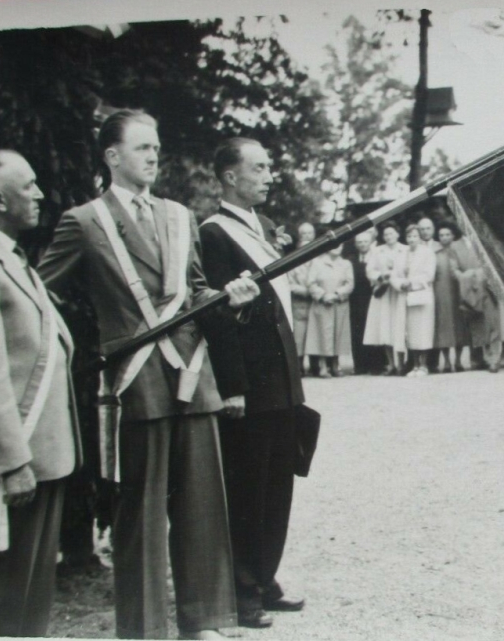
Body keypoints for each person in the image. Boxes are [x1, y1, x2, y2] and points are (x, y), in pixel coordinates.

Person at [38, 110, 260, 640]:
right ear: (112, 156)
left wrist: (229, 299)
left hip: (192, 376)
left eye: (157, 147)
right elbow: (39, 293)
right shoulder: (84, 220)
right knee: (138, 517)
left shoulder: (180, 215)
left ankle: (203, 620)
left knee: (203, 506)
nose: (154, 156)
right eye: (142, 148)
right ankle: (144, 630)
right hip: (136, 383)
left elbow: (196, 291)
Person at [0, 150, 81, 636]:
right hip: (10, 463)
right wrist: (11, 463)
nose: (39, 195)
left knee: (28, 599)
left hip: (43, 454)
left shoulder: (8, 253)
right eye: (28, 186)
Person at [198, 137, 309, 629]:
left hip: (281, 377)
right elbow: (219, 317)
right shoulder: (215, 232)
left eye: (269, 167)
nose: (269, 176)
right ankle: (242, 590)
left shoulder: (262, 228)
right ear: (229, 177)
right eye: (259, 168)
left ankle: (264, 576)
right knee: (247, 487)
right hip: (251, 383)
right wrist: (233, 386)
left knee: (278, 483)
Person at [363, 222, 408, 375]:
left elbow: (410, 269)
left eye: (392, 233)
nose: (389, 236)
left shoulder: (405, 250)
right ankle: (391, 364)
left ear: (398, 234)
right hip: (384, 293)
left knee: (400, 327)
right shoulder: (377, 251)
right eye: (386, 234)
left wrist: (400, 279)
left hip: (400, 292)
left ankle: (402, 364)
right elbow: (370, 270)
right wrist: (381, 277)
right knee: (385, 327)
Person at [306, 242, 354, 377]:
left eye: (339, 245)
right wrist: (322, 295)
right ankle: (322, 367)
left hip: (339, 303)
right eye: (333, 245)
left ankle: (335, 365)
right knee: (322, 333)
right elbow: (310, 282)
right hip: (322, 303)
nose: (336, 248)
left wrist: (338, 294)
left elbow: (350, 283)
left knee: (338, 333)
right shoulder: (317, 263)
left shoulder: (346, 264)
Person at [432, 220, 470, 372]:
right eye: (441, 235)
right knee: (444, 326)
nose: (444, 237)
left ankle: (459, 360)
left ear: (453, 236)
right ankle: (447, 361)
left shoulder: (460, 252)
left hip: (458, 292)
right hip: (441, 293)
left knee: (459, 325)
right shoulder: (435, 254)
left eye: (447, 234)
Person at [402, 223, 437, 376]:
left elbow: (429, 275)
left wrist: (412, 282)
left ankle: (424, 365)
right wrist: (402, 283)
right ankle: (415, 365)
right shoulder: (403, 253)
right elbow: (397, 274)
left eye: (415, 236)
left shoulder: (427, 253)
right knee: (412, 331)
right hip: (408, 295)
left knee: (424, 330)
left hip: (423, 294)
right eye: (409, 236)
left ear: (419, 237)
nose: (412, 239)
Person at [347, 229, 383, 374]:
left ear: (371, 242)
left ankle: (376, 365)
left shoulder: (377, 258)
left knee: (374, 330)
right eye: (359, 242)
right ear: (356, 244)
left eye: (365, 242)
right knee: (357, 331)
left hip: (373, 299)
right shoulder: (351, 259)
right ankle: (360, 365)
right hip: (356, 301)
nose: (362, 244)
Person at [288, 222, 316, 375]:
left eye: (310, 233)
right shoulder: (292, 262)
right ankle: (298, 367)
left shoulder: (320, 258)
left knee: (317, 333)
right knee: (299, 335)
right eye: (304, 234)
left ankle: (317, 365)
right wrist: (306, 291)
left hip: (318, 302)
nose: (307, 237)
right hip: (300, 302)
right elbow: (289, 283)